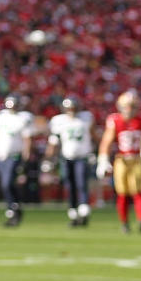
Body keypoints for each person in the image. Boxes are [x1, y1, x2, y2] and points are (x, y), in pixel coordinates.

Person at [97, 90, 141, 234]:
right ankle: (125, 223)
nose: (130, 109)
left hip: (137, 158)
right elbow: (107, 140)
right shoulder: (115, 120)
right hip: (121, 159)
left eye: (133, 106)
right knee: (122, 192)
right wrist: (103, 159)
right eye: (127, 106)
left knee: (139, 191)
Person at [46, 96, 94, 227]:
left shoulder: (86, 118)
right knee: (70, 186)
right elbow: (54, 142)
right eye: (69, 108)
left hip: (82, 157)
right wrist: (49, 158)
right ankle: (73, 213)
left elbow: (94, 135)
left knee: (81, 184)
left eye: (73, 108)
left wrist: (95, 152)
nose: (71, 111)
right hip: (66, 158)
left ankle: (84, 211)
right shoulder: (59, 121)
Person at [0, 95, 33, 227]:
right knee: (5, 184)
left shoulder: (23, 118)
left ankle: (13, 209)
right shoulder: (2, 116)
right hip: (2, 156)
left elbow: (27, 139)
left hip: (14, 155)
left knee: (7, 184)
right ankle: (14, 208)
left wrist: (26, 157)